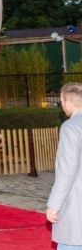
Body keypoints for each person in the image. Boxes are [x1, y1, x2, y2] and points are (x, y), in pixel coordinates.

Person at [47, 82, 82, 249]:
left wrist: (54, 204)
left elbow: (67, 171)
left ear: (67, 102)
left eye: (61, 102)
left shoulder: (70, 128)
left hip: (77, 204)